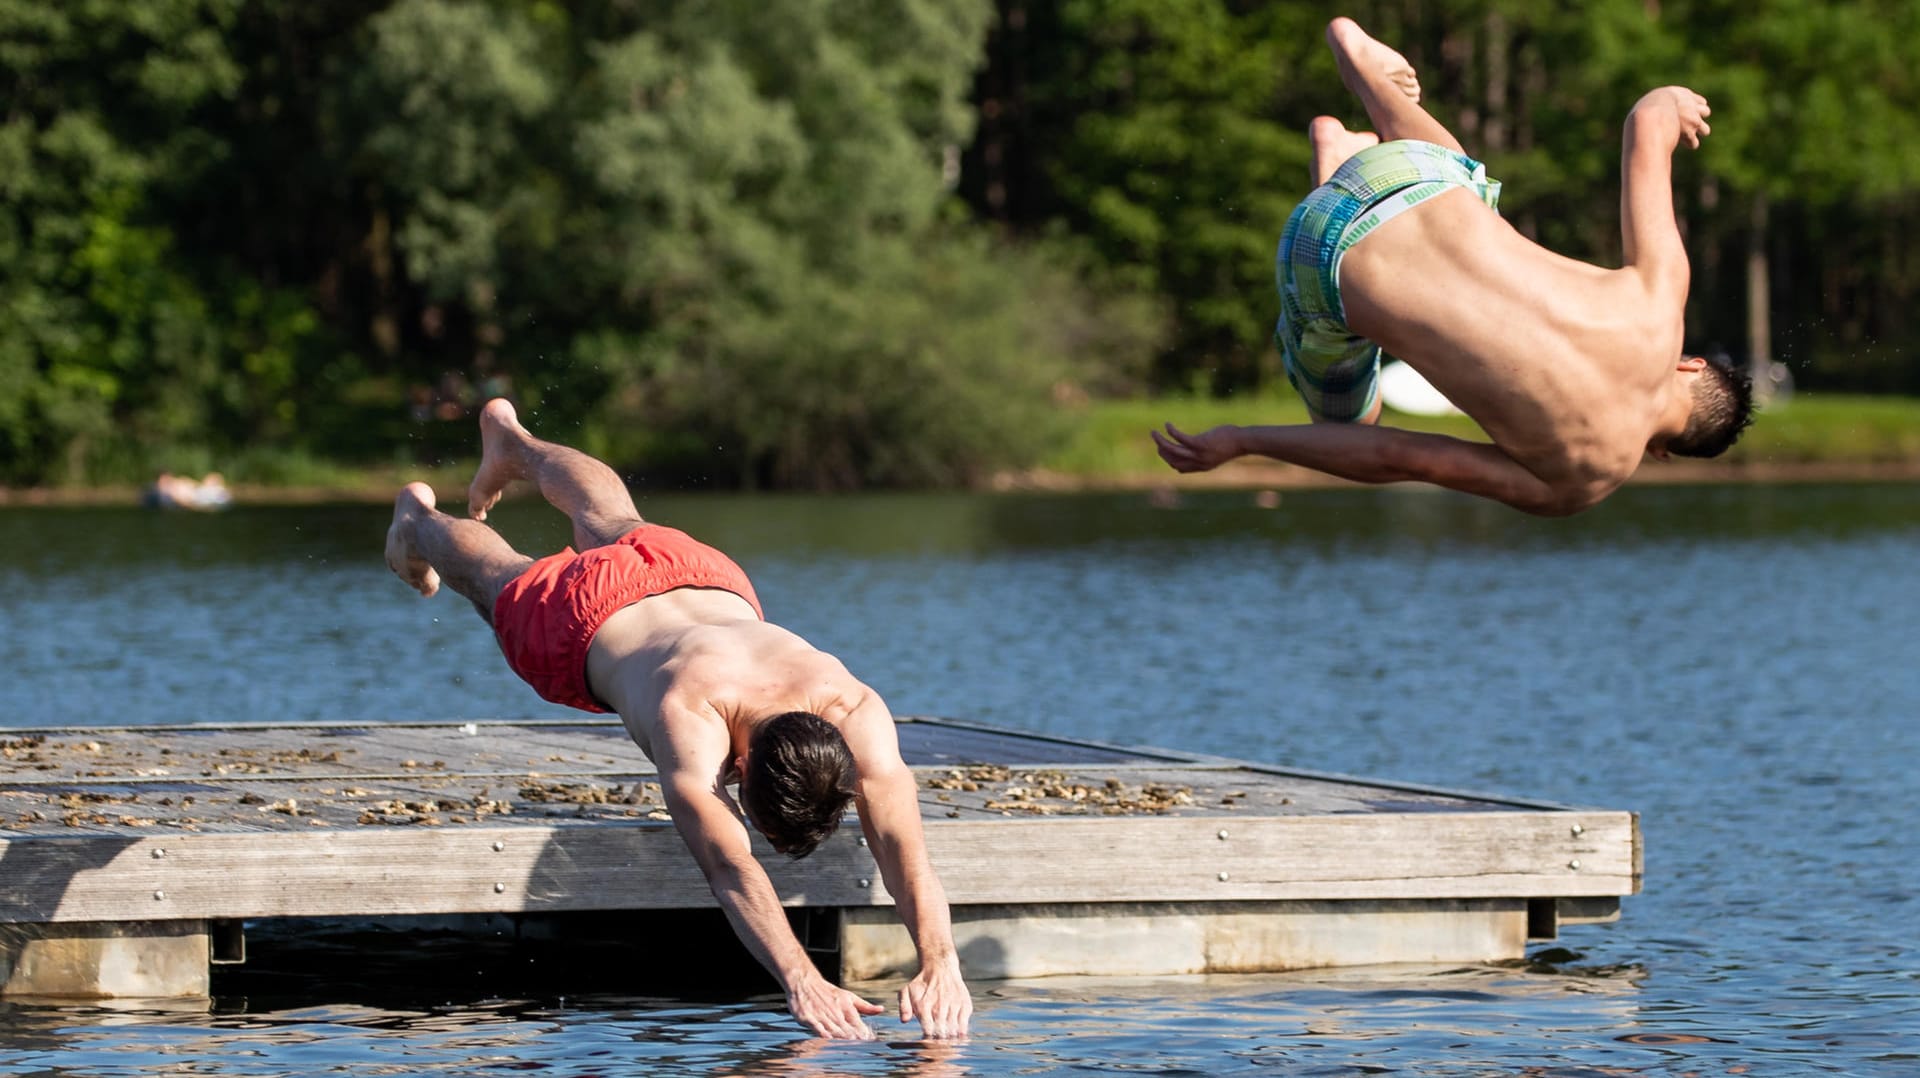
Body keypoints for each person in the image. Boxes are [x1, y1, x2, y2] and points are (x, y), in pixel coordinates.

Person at [383, 399, 971, 1040]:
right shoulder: (693, 718)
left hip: (704, 580)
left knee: (612, 518)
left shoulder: (850, 708)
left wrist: (942, 963)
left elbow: (902, 852)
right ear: (740, 767)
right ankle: (416, 521)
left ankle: (516, 444)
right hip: (584, 621)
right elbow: (729, 869)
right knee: (498, 578)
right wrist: (802, 978)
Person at [1153, 17, 1754, 516]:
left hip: (1409, 175)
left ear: (1690, 363)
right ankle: (1333, 163)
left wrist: (1673, 101)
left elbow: (1645, 124)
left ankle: (1370, 89)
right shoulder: (1580, 481)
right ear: (1661, 453)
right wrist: (1241, 442)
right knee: (1353, 425)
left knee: (1468, 185)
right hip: (1321, 257)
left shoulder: (1661, 299)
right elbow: (1401, 458)